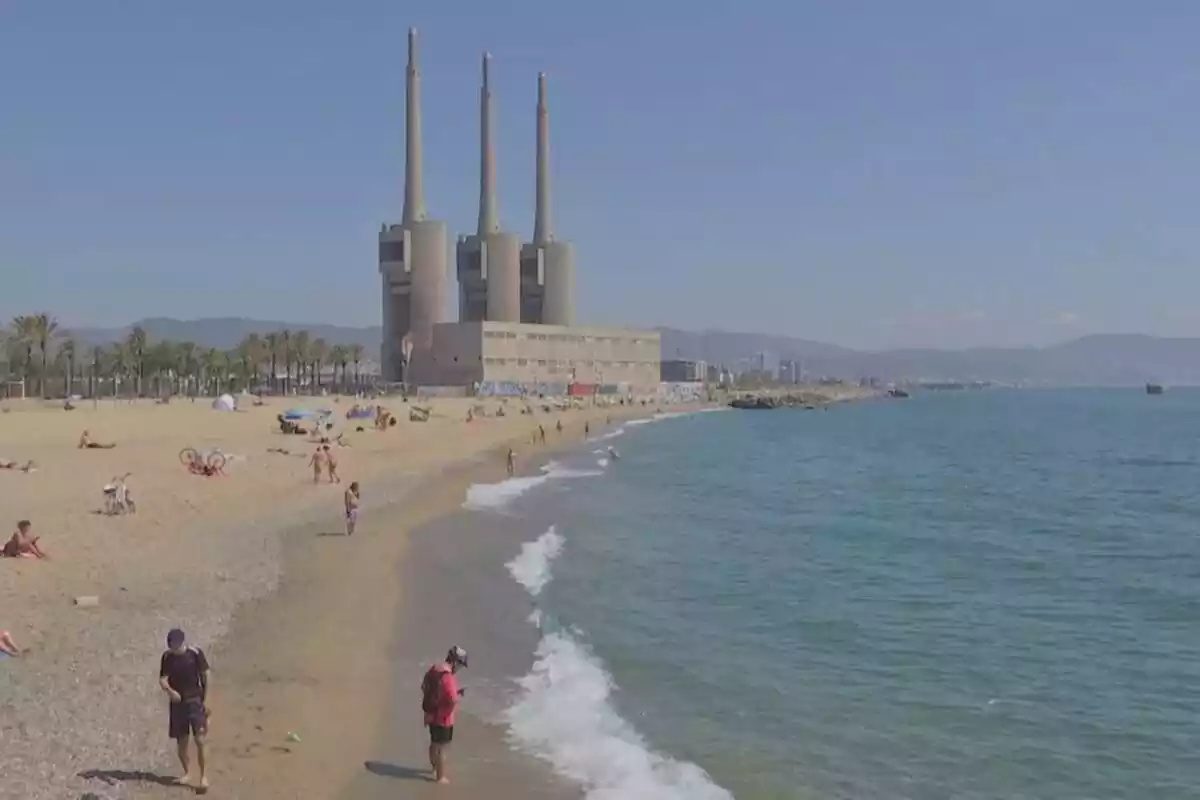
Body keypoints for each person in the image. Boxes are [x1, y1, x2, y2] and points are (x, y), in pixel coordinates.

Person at [159, 628, 211, 792]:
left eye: (175, 644)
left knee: (200, 741)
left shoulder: (195, 653)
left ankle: (203, 777)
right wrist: (170, 691)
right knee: (181, 745)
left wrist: (206, 700)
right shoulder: (167, 657)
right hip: (177, 705)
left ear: (182, 642)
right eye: (171, 645)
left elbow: (206, 675)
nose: (173, 648)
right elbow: (162, 679)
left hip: (195, 701)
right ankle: (187, 772)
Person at [421, 646, 468, 784]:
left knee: (434, 743)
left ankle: (434, 768)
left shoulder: (435, 668)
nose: (460, 668)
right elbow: (452, 699)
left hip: (431, 714)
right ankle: (440, 777)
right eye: (460, 665)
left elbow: (425, 687)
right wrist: (457, 698)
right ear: (455, 662)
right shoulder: (449, 677)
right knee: (442, 748)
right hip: (444, 718)